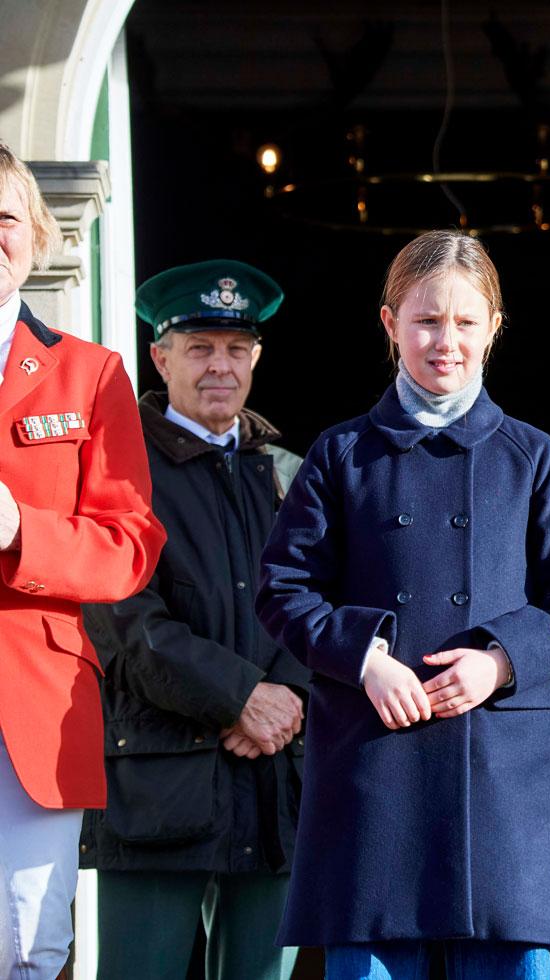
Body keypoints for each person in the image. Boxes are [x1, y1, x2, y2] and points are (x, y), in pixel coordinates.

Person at [256, 229, 550, 980]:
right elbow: (283, 590)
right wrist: (365, 659)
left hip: (499, 776)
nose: (443, 341)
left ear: (494, 328)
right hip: (373, 769)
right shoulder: (340, 454)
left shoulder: (532, 456)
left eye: (463, 321)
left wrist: (499, 662)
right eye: (424, 320)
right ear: (389, 325)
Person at [79, 260, 308, 980]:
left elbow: (324, 607)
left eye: (235, 349)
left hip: (275, 786)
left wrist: (286, 700)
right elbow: (124, 621)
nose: (220, 366)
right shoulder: (116, 468)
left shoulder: (291, 474)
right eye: (200, 346)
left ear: (257, 358)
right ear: (160, 356)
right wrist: (242, 696)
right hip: (158, 788)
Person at [0, 143, 165, 978]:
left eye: (1, 218)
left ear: (35, 236)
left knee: (29, 946)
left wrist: (18, 529)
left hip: (32, 700)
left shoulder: (88, 373)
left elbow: (128, 546)